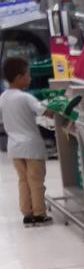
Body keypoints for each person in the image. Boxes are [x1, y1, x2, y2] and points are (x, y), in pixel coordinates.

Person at [1, 56, 51, 226]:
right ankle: (39, 214)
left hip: (14, 147)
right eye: (27, 75)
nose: (29, 79)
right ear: (18, 78)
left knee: (23, 181)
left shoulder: (3, 98)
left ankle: (27, 214)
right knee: (36, 181)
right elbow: (45, 112)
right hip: (31, 146)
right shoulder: (25, 97)